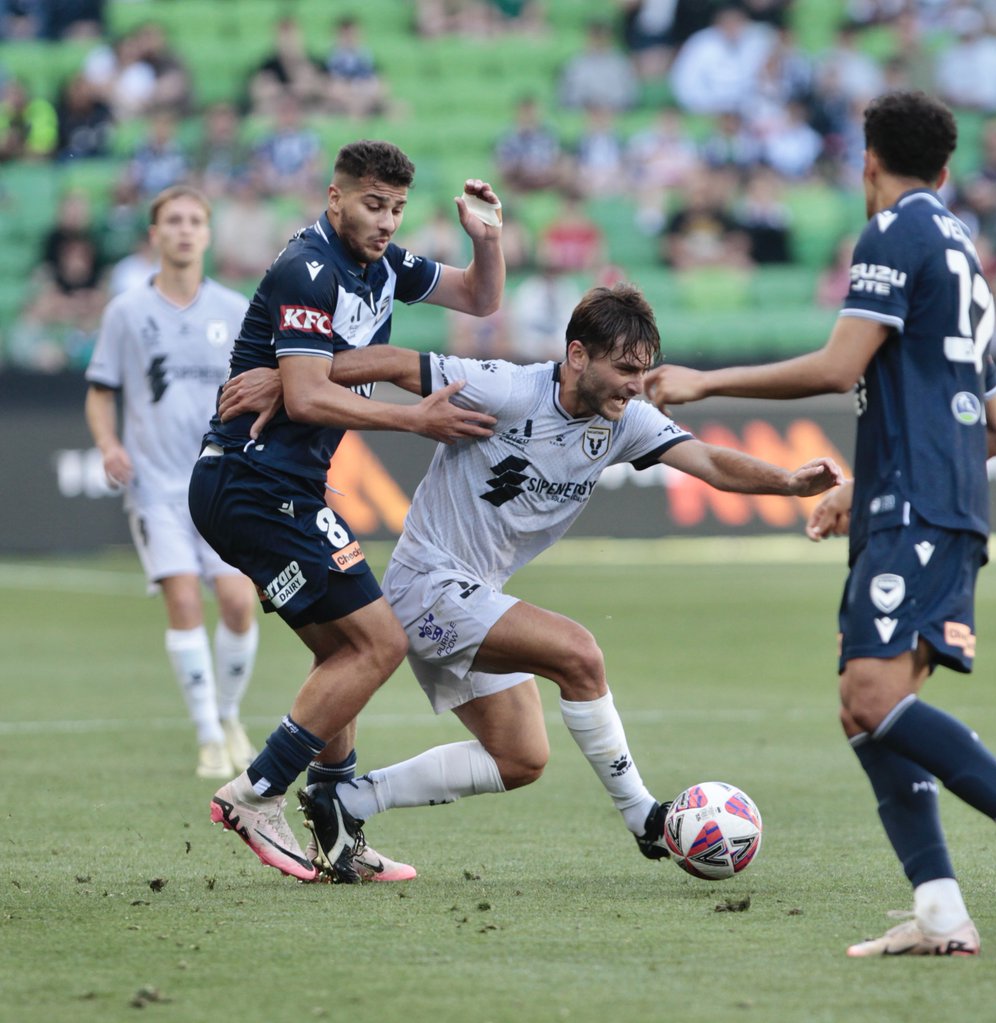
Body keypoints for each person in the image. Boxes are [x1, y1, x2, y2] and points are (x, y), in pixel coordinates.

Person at [645, 90, 996, 956]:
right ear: (945, 168)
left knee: (870, 697)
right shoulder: (962, 256)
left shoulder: (895, 232)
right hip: (933, 500)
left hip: (920, 509)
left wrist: (703, 383)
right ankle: (938, 909)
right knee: (868, 711)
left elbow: (837, 366)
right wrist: (868, 486)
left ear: (868, 163)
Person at [217, 283, 844, 881]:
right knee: (579, 653)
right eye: (625, 366)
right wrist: (295, 376)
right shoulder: (508, 389)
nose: (637, 382)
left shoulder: (623, 419)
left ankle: (350, 803)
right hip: (428, 583)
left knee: (520, 758)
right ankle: (644, 816)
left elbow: (706, 459)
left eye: (644, 367)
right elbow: (396, 362)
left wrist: (787, 483)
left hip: (475, 595)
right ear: (577, 355)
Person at [189, 140, 504, 884]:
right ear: (335, 200)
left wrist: (486, 240)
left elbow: (480, 299)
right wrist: (414, 420)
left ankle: (334, 832)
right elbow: (303, 394)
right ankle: (256, 792)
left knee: (348, 656)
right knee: (378, 643)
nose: (387, 220)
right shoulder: (310, 266)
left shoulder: (385, 265)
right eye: (372, 203)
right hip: (254, 482)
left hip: (279, 487)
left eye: (396, 207)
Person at [84, 185, 260, 781]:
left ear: (208, 235)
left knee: (239, 604)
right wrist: (109, 445)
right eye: (173, 221)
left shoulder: (235, 310)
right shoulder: (127, 312)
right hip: (157, 488)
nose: (184, 230)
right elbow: (101, 390)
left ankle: (229, 715)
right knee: (182, 599)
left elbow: (261, 388)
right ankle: (209, 736)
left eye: (194, 221)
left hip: (221, 485)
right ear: (155, 234)